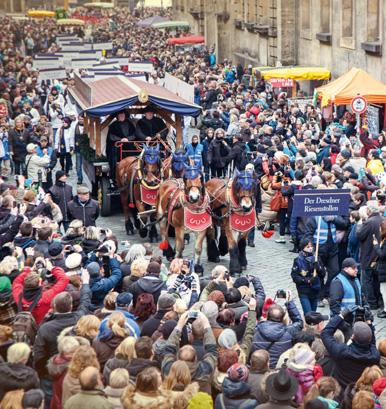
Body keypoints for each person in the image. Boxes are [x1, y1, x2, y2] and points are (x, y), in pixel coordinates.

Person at [161, 311, 218, 394]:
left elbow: (169, 348)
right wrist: (206, 324)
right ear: (195, 358)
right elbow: (212, 351)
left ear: (177, 356)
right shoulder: (204, 370)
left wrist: (179, 326)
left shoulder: (167, 369)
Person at [321, 312, 380, 388]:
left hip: (342, 389)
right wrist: (369, 323)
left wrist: (341, 315)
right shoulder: (374, 356)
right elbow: (372, 344)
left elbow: (325, 334)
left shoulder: (342, 351)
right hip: (360, 390)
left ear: (352, 337)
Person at [251, 291, 303, 368]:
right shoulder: (289, 331)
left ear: (267, 316)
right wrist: (289, 302)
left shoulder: (256, 330)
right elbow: (299, 322)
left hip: (261, 368)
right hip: (281, 370)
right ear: (283, 318)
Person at [356, 201, 383, 309]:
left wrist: (360, 223)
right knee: (377, 281)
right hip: (378, 255)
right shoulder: (382, 220)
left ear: (369, 210)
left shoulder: (369, 222)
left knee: (367, 280)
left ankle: (371, 303)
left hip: (368, 255)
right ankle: (379, 301)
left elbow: (359, 235)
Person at [291, 238, 325, 314]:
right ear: (303, 248)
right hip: (304, 291)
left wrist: (318, 267)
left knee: (313, 315)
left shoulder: (316, 258)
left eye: (311, 246)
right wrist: (307, 280)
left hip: (315, 291)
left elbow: (323, 274)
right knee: (308, 314)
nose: (310, 248)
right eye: (307, 247)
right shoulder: (298, 260)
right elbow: (295, 277)